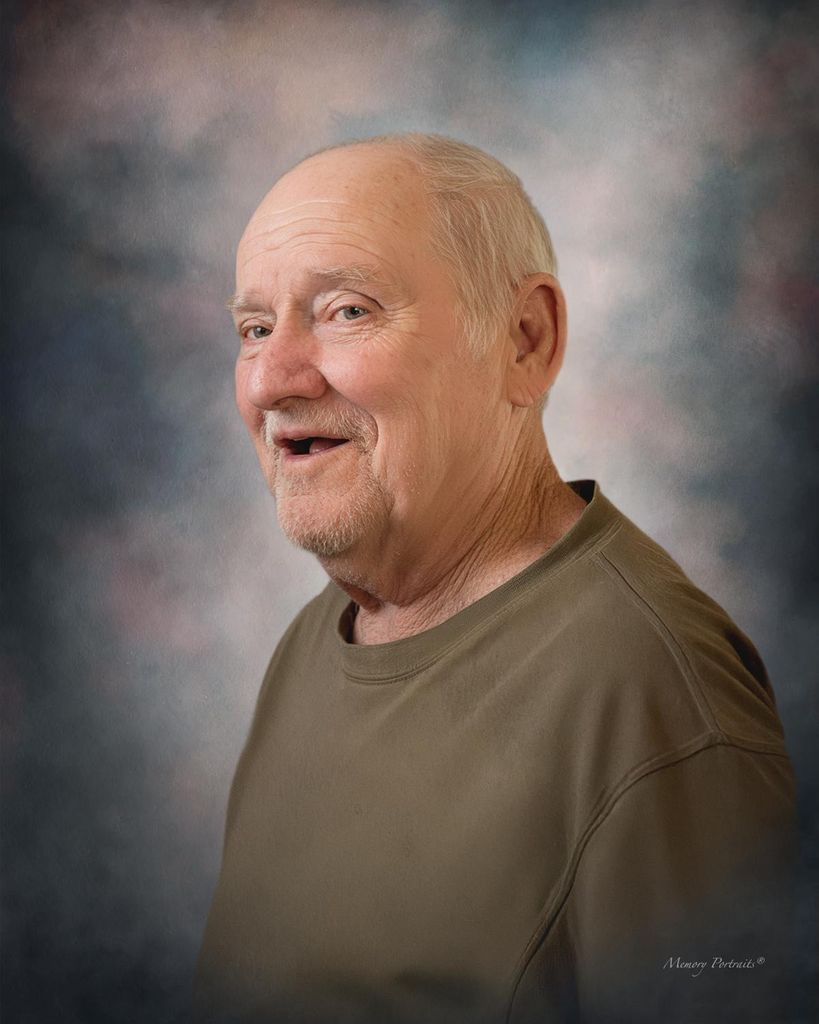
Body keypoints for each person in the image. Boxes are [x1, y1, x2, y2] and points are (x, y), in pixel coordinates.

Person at [194, 134, 797, 1024]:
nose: (271, 380)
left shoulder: (654, 700)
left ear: (524, 341)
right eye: (254, 329)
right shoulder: (318, 638)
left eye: (347, 311)